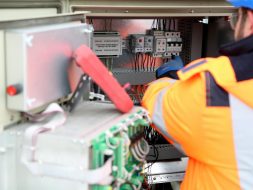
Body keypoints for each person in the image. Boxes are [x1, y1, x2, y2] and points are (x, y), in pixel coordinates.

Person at [141, 0, 253, 189]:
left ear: (250, 20)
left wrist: (169, 77)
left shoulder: (216, 88)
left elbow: (155, 102)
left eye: (236, 18)